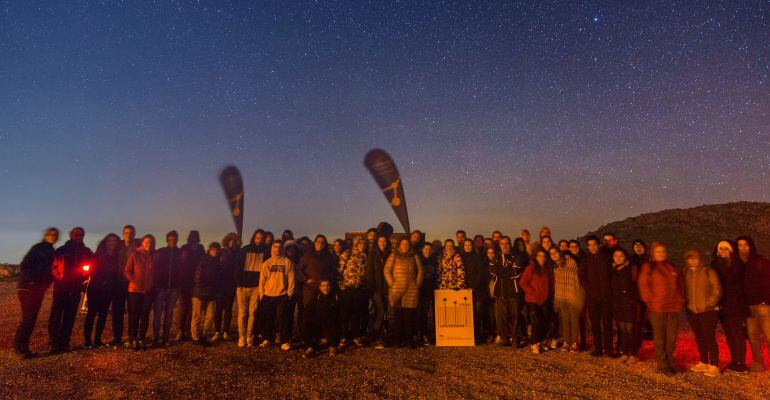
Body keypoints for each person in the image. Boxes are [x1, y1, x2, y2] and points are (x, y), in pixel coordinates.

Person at [638, 242, 685, 375]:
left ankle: (670, 361)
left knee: (671, 337)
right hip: (658, 308)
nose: (661, 254)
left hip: (674, 307)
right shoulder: (649, 267)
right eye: (658, 251)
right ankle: (662, 364)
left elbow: (680, 284)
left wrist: (681, 298)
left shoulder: (671, 266)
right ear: (653, 253)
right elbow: (644, 285)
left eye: (663, 251)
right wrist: (651, 302)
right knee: (660, 337)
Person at [14, 228, 58, 359]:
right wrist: (32, 280)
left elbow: (51, 271)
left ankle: (23, 347)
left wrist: (44, 285)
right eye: (50, 234)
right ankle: (19, 347)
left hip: (38, 289)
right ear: (45, 235)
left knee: (31, 318)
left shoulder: (51, 251)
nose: (52, 237)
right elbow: (25, 264)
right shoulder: (38, 248)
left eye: (55, 235)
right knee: (28, 318)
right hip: (27, 287)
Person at [49, 227, 93, 353]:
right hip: (61, 288)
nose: (79, 237)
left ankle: (64, 341)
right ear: (71, 235)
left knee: (69, 316)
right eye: (76, 234)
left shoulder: (86, 252)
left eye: (81, 235)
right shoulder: (61, 251)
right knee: (56, 315)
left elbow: (91, 267)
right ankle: (53, 342)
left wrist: (85, 280)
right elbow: (54, 267)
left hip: (76, 288)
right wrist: (59, 279)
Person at [683, 250, 722, 377]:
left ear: (700, 259)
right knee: (699, 337)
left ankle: (714, 364)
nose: (692, 260)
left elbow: (717, 289)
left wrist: (708, 303)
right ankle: (704, 361)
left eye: (695, 258)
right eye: (690, 258)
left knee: (709, 337)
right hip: (692, 311)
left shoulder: (708, 272)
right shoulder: (686, 273)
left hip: (707, 311)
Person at [711, 239, 748, 372]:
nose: (723, 251)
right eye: (721, 248)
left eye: (726, 248)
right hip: (723, 305)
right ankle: (734, 360)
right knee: (730, 334)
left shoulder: (738, 264)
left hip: (736, 304)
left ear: (731, 250)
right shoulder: (714, 264)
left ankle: (741, 362)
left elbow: (732, 281)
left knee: (737, 333)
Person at [737, 236, 770, 372]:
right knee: (752, 336)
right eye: (740, 245)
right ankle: (758, 363)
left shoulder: (760, 261)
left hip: (763, 306)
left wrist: (767, 300)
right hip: (748, 307)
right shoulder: (738, 265)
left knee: (769, 334)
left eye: (745, 245)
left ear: (751, 246)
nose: (743, 248)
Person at [84, 233, 120, 349]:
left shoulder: (117, 256)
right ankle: (87, 340)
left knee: (103, 315)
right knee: (91, 314)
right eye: (109, 241)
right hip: (95, 288)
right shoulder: (97, 255)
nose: (112, 243)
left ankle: (97, 340)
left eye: (114, 241)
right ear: (105, 242)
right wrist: (102, 282)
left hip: (108, 290)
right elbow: (92, 271)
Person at [384, 238, 423, 348]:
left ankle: (409, 341)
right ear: (399, 245)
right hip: (397, 290)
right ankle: (397, 341)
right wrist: (392, 283)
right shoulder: (394, 255)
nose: (405, 246)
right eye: (403, 244)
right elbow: (386, 270)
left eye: (407, 244)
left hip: (411, 290)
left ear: (409, 245)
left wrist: (417, 285)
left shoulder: (414, 256)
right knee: (398, 317)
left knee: (408, 318)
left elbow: (420, 270)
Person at [298, 235, 337, 342]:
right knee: (308, 312)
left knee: (322, 312)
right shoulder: (307, 255)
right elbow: (299, 269)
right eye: (318, 242)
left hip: (323, 289)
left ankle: (320, 335)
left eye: (322, 242)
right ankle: (306, 337)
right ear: (314, 243)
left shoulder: (329, 256)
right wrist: (306, 279)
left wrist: (329, 283)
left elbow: (333, 271)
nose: (320, 244)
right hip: (309, 289)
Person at [579, 236, 613, 357]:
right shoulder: (585, 259)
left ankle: (608, 348)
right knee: (595, 324)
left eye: (594, 244)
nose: (592, 247)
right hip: (593, 297)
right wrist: (590, 290)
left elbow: (612, 275)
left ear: (598, 245)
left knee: (607, 323)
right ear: (588, 246)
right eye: (590, 245)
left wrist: (608, 290)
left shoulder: (606, 258)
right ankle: (598, 348)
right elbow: (582, 277)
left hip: (606, 296)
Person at [258, 241, 296, 350]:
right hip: (268, 295)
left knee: (282, 319)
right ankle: (267, 339)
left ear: (282, 249)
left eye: (279, 247)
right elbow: (262, 281)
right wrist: (262, 294)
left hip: (282, 295)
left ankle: (284, 341)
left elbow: (291, 279)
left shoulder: (288, 262)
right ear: (272, 248)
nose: (277, 249)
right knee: (268, 318)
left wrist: (290, 293)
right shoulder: (266, 263)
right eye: (275, 247)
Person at [490, 236, 525, 347]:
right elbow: (493, 271)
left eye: (507, 244)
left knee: (515, 316)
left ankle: (515, 338)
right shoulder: (496, 257)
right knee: (502, 317)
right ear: (499, 245)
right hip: (500, 291)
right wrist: (506, 271)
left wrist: (502, 271)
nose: (504, 246)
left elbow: (515, 272)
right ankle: (504, 338)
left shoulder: (516, 256)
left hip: (513, 291)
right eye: (502, 244)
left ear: (510, 244)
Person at [124, 234, 155, 350]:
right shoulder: (135, 255)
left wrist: (152, 284)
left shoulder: (154, 256)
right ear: (142, 243)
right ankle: (132, 338)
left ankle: (141, 338)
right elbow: (127, 271)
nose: (149, 244)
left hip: (148, 290)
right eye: (147, 242)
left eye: (151, 242)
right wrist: (135, 281)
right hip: (134, 290)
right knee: (134, 315)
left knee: (145, 315)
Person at [238, 229, 268, 347]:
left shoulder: (266, 251)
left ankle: (249, 336)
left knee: (253, 313)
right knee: (242, 313)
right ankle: (241, 336)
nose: (259, 240)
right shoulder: (245, 250)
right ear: (253, 237)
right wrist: (239, 283)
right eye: (257, 238)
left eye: (261, 238)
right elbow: (238, 266)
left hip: (256, 287)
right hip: (243, 286)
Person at [152, 231, 182, 347]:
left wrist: (179, 284)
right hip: (161, 288)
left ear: (177, 240)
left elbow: (182, 269)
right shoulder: (161, 252)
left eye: (174, 239)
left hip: (174, 288)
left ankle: (165, 337)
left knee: (169, 314)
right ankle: (155, 338)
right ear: (167, 240)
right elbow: (154, 267)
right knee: (157, 314)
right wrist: (156, 284)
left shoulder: (180, 253)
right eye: (170, 239)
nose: (172, 241)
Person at [609, 248, 639, 363]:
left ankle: (634, 354)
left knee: (630, 329)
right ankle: (625, 352)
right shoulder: (612, 270)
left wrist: (632, 300)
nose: (618, 258)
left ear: (625, 257)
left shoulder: (631, 269)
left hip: (628, 303)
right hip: (617, 304)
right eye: (615, 256)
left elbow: (636, 286)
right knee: (622, 329)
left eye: (621, 256)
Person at [550, 248, 583, 353]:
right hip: (561, 297)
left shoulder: (570, 262)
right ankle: (566, 342)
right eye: (551, 254)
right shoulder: (555, 267)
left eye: (555, 252)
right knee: (564, 321)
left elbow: (575, 275)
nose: (554, 255)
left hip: (572, 295)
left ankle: (574, 343)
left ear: (559, 253)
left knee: (574, 320)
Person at [338, 236, 369, 348]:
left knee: (356, 314)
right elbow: (339, 271)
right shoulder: (347, 254)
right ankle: (343, 337)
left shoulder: (365, 256)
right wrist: (341, 287)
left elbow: (365, 274)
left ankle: (355, 336)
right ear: (356, 244)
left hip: (358, 289)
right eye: (360, 244)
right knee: (345, 314)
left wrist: (363, 286)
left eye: (364, 244)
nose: (362, 246)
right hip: (346, 289)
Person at [110, 225, 138, 347]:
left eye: (131, 233)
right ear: (123, 233)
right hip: (118, 283)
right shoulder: (118, 246)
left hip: (131, 282)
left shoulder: (137, 247)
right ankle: (117, 336)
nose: (128, 235)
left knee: (133, 310)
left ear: (134, 234)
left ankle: (131, 336)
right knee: (117, 311)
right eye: (126, 233)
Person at [176, 231, 205, 341]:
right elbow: (181, 263)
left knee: (193, 309)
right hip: (185, 282)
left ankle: (188, 330)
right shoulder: (184, 248)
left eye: (195, 238)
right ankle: (180, 330)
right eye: (192, 238)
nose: (193, 240)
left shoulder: (200, 249)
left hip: (196, 283)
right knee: (183, 307)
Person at [520, 249, 550, 354]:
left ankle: (540, 341)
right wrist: (532, 291)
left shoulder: (546, 269)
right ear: (536, 257)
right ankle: (533, 343)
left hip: (544, 299)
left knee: (544, 321)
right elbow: (523, 282)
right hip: (532, 299)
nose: (542, 258)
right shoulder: (531, 268)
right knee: (537, 321)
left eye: (544, 256)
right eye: (539, 256)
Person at [302, 280, 341, 357]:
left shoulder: (335, 297)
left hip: (331, 322)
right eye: (323, 286)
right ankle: (311, 347)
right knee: (306, 324)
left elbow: (341, 312)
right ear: (320, 287)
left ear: (330, 287)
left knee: (334, 325)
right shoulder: (316, 297)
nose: (325, 288)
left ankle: (332, 347)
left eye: (327, 286)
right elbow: (307, 311)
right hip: (319, 322)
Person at [191, 243, 221, 345]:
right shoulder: (203, 260)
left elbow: (217, 279)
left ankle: (203, 334)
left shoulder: (217, 262)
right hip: (199, 292)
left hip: (211, 293)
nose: (215, 251)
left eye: (217, 250)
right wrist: (202, 290)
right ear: (210, 250)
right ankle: (195, 337)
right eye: (213, 249)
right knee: (197, 315)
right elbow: (197, 276)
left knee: (210, 315)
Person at [213, 232, 240, 342]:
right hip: (220, 285)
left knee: (228, 309)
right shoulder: (221, 252)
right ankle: (217, 332)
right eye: (230, 240)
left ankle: (226, 332)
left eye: (234, 240)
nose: (232, 242)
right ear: (226, 241)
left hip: (231, 285)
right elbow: (215, 267)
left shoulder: (238, 253)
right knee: (218, 309)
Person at [461, 239, 489, 344]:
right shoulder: (460, 257)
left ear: (472, 246)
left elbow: (480, 273)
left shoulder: (477, 257)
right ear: (463, 246)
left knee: (477, 315)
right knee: (467, 314)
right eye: (466, 245)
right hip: (465, 290)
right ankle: (466, 336)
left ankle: (476, 337)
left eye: (469, 245)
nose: (467, 247)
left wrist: (473, 286)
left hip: (477, 290)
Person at [366, 235, 392, 346]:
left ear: (387, 243)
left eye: (384, 241)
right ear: (377, 242)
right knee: (380, 311)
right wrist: (371, 287)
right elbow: (369, 272)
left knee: (384, 312)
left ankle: (380, 335)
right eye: (380, 241)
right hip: (376, 288)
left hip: (387, 288)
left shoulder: (390, 254)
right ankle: (375, 336)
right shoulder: (372, 254)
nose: (382, 243)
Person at [631, 239, 652, 342]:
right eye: (636, 246)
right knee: (637, 318)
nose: (638, 248)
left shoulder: (649, 260)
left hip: (647, 292)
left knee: (647, 315)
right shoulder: (631, 261)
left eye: (640, 246)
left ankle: (648, 332)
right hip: (635, 293)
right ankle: (637, 338)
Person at [417, 242, 437, 345]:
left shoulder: (434, 261)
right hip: (419, 290)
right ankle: (418, 333)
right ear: (422, 249)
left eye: (429, 249)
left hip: (429, 290)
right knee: (418, 312)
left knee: (425, 313)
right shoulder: (418, 259)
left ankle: (424, 333)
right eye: (425, 249)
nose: (427, 251)